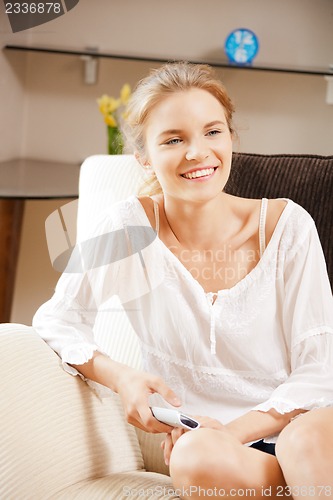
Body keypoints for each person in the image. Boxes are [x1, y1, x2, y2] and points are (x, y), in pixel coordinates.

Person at [33, 62, 333, 499]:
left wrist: (234, 431)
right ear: (143, 156)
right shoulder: (124, 229)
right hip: (211, 449)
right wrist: (123, 378)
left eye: (213, 132)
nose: (198, 153)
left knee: (303, 438)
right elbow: (57, 319)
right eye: (173, 140)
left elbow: (318, 370)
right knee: (194, 457)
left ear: (231, 138)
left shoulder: (287, 226)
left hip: (302, 427)